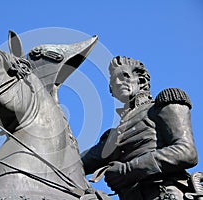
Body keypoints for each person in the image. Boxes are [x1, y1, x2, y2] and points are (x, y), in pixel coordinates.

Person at [81, 56, 198, 200]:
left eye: (123, 77)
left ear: (141, 81)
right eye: (113, 81)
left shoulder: (161, 106)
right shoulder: (113, 135)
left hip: (165, 194)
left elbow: (186, 152)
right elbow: (75, 164)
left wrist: (128, 169)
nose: (117, 82)